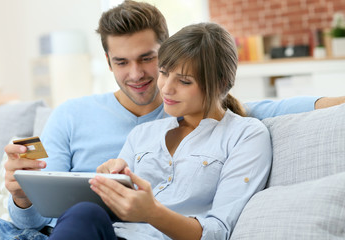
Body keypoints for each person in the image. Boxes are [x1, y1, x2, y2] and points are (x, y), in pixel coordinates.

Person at [0, 0, 343, 239]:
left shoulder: (242, 129)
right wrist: (23, 195)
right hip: (68, 229)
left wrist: (149, 210)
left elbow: (275, 109)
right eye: (122, 62)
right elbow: (38, 221)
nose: (150, 80)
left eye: (150, 60)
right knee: (75, 213)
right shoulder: (128, 129)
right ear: (108, 61)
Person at [48, 21, 272, 240]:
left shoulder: (246, 135)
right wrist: (109, 180)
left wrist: (151, 212)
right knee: (84, 211)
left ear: (221, 84)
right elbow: (115, 208)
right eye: (164, 73)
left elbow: (218, 231)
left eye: (184, 81)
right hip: (111, 232)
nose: (166, 88)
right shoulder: (142, 134)